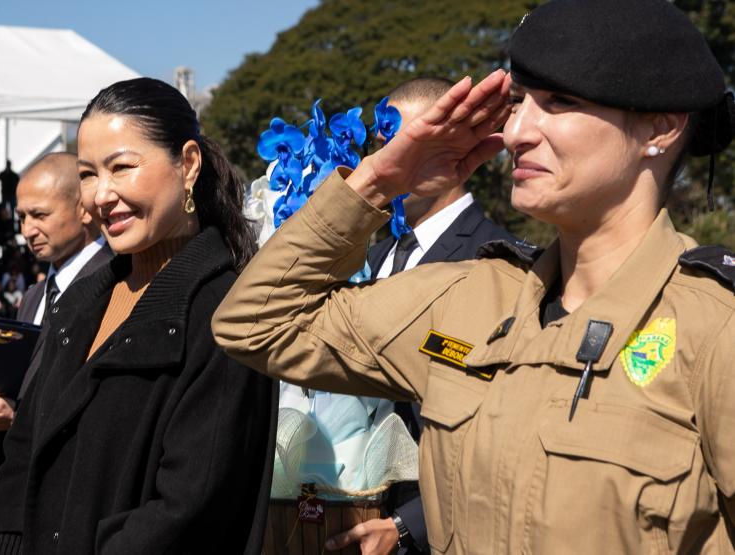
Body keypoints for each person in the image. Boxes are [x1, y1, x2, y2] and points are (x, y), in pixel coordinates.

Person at [212, 1, 735, 552]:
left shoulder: (714, 330)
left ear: (662, 128)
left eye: (560, 102)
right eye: (517, 103)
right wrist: (377, 181)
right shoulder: (467, 300)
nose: (516, 133)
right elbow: (255, 324)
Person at [0, 78, 275, 554]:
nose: (100, 194)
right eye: (87, 174)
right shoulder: (79, 303)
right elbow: (26, 451)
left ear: (188, 164)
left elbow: (190, 507)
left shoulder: (227, 316)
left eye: (121, 167)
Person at [330, 77, 518, 555]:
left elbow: (500, 426)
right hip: (349, 515)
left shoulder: (500, 262)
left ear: (454, 153)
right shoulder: (372, 255)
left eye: (401, 144)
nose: (382, 162)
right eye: (379, 146)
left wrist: (408, 524)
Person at [0, 152, 113, 471]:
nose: (27, 230)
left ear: (84, 210)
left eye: (40, 215)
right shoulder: (34, 295)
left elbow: (105, 414)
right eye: (22, 217)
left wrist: (16, 420)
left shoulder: (118, 285)